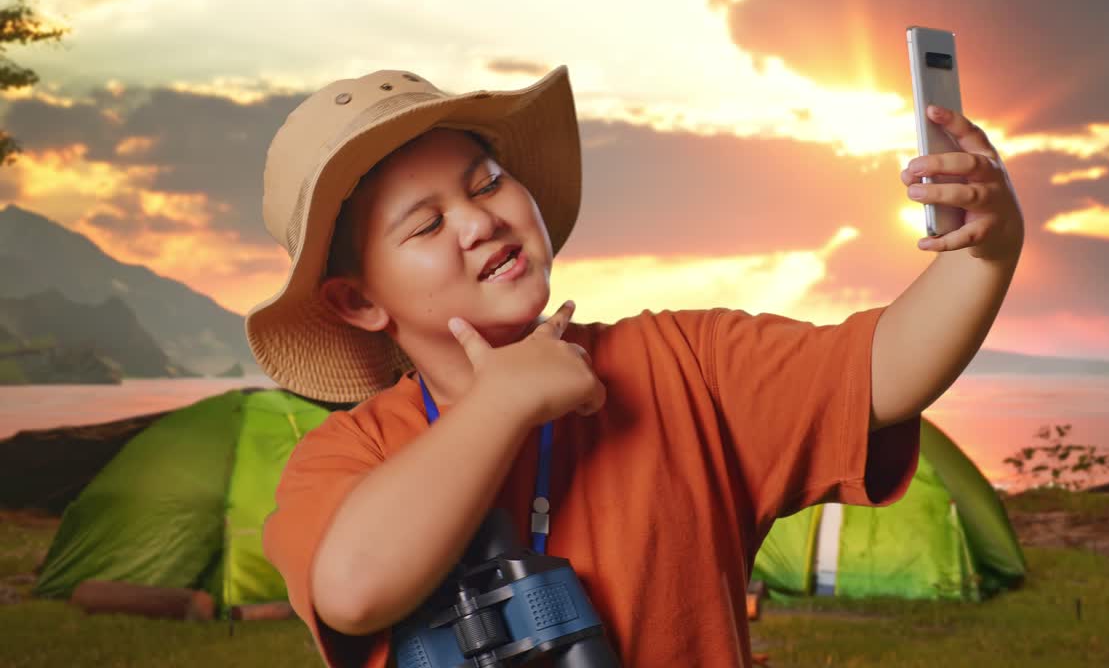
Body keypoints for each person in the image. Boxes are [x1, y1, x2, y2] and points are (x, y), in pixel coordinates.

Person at [248, 65, 1024, 667]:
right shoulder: (349, 456)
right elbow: (352, 590)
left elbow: (886, 371)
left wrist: (987, 250)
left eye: (486, 182)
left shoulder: (682, 363)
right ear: (357, 303)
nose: (480, 220)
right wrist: (501, 404)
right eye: (425, 224)